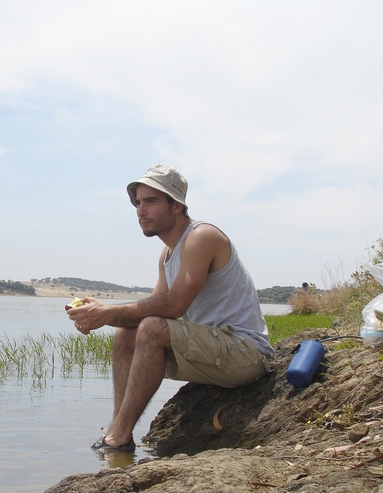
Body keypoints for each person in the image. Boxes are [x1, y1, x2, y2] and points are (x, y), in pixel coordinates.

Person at [66, 164, 274, 452]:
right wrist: (98, 314)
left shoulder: (202, 236)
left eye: (151, 201)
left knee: (150, 328)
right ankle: (118, 431)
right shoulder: (167, 254)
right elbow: (150, 310)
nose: (141, 210)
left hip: (245, 354)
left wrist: (106, 314)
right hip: (212, 352)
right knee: (128, 333)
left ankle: (119, 436)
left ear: (176, 206)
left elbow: (174, 305)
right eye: (138, 202)